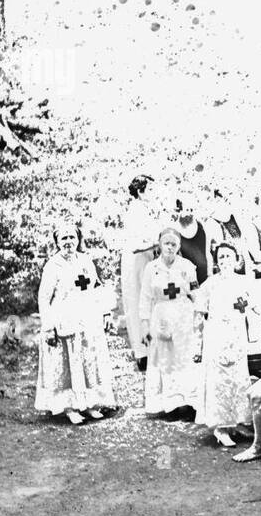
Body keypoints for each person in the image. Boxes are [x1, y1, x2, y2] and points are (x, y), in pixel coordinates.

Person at [35, 219, 116, 425]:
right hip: (64, 319)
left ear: (78, 239)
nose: (68, 241)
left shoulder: (86, 261)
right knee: (68, 366)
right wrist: (48, 327)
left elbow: (97, 288)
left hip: (87, 318)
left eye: (72, 237)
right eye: (64, 238)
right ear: (57, 241)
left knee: (88, 362)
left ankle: (89, 404)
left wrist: (106, 312)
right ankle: (69, 407)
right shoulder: (53, 266)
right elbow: (44, 298)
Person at [195, 242, 261, 448]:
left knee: (239, 380)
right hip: (217, 337)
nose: (224, 261)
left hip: (237, 336)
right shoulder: (209, 285)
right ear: (216, 261)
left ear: (236, 259)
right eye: (221, 257)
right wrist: (198, 346)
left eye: (228, 257)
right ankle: (221, 427)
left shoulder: (245, 282)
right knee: (220, 382)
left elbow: (254, 310)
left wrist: (254, 336)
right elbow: (198, 316)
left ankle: (239, 422)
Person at [139, 226, 201, 417]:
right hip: (162, 315)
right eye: (166, 243)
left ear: (179, 246)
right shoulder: (151, 268)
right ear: (160, 245)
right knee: (165, 359)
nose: (170, 247)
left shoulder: (187, 266)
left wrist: (199, 315)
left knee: (184, 357)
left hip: (183, 315)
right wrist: (144, 324)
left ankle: (189, 402)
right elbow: (145, 297)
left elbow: (195, 293)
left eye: (174, 244)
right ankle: (170, 403)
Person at [119, 175, 158, 372]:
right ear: (140, 192)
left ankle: (151, 349)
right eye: (150, 189)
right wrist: (156, 242)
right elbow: (134, 245)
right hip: (136, 262)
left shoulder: (146, 210)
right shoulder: (134, 212)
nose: (153, 193)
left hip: (146, 260)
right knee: (137, 304)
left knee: (149, 302)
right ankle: (142, 353)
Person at [174, 196, 216, 286]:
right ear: (179, 209)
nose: (189, 212)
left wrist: (210, 276)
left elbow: (208, 254)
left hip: (206, 278)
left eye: (191, 210)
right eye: (186, 209)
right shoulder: (175, 231)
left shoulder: (202, 226)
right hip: (188, 281)